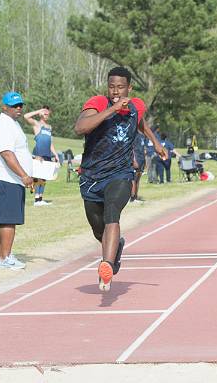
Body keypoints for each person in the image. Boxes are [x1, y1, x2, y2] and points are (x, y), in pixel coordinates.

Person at [74, 66, 166, 292]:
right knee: (98, 229)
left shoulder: (136, 105)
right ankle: (116, 248)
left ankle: (106, 264)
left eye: (120, 88)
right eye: (112, 87)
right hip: (92, 176)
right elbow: (80, 128)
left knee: (112, 213)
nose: (116, 91)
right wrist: (112, 109)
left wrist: (155, 142)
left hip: (121, 173)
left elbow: (140, 122)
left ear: (129, 88)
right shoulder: (97, 103)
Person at [0, 92, 33, 270]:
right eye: (14, 106)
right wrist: (24, 175)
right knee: (8, 220)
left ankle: (2, 256)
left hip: (12, 180)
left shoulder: (12, 124)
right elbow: (6, 153)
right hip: (5, 179)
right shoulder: (3, 125)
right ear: (4, 107)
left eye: (20, 105)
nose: (19, 108)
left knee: (9, 220)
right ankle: (4, 258)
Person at [24, 106, 58, 206]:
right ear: (40, 114)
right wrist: (39, 111)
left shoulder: (49, 127)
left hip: (47, 154)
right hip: (38, 154)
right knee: (37, 176)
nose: (46, 115)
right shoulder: (37, 124)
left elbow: (50, 142)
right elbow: (26, 116)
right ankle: (36, 199)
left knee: (44, 177)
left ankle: (40, 198)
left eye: (48, 114)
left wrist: (55, 154)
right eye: (44, 113)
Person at [131, 133, 146, 202]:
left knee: (138, 180)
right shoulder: (134, 135)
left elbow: (143, 149)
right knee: (134, 179)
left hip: (141, 159)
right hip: (136, 159)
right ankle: (132, 197)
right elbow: (132, 148)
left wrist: (144, 161)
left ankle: (136, 196)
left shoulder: (142, 136)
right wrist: (134, 160)